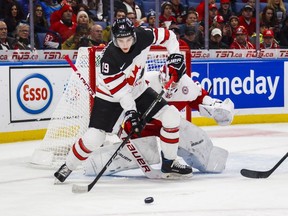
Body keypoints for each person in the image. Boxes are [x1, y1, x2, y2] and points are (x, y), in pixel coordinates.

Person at [54, 17, 193, 182]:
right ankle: (68, 166)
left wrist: (175, 57)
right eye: (121, 40)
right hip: (110, 96)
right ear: (114, 39)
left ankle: (169, 164)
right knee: (94, 138)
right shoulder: (109, 59)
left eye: (128, 39)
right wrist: (132, 113)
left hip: (138, 89)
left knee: (171, 115)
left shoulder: (144, 35)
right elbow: (122, 94)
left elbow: (169, 36)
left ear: (134, 35)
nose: (125, 44)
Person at [83, 66, 233, 177]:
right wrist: (119, 122)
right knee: (148, 152)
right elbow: (122, 100)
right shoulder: (145, 81)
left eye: (173, 83)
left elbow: (201, 98)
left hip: (170, 130)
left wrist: (215, 106)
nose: (168, 86)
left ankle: (205, 159)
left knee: (190, 133)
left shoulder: (188, 86)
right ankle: (95, 163)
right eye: (165, 81)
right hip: (141, 129)